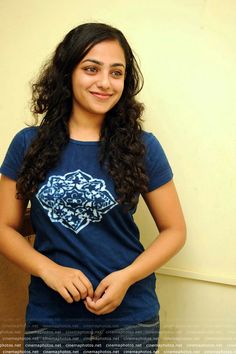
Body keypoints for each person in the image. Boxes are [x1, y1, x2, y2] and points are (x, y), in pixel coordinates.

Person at [0, 23, 186, 353]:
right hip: (52, 321)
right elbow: (4, 228)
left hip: (130, 319)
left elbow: (174, 231)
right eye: (91, 69)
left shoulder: (142, 147)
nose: (104, 82)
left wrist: (126, 277)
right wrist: (49, 270)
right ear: (67, 72)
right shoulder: (28, 144)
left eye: (117, 73)